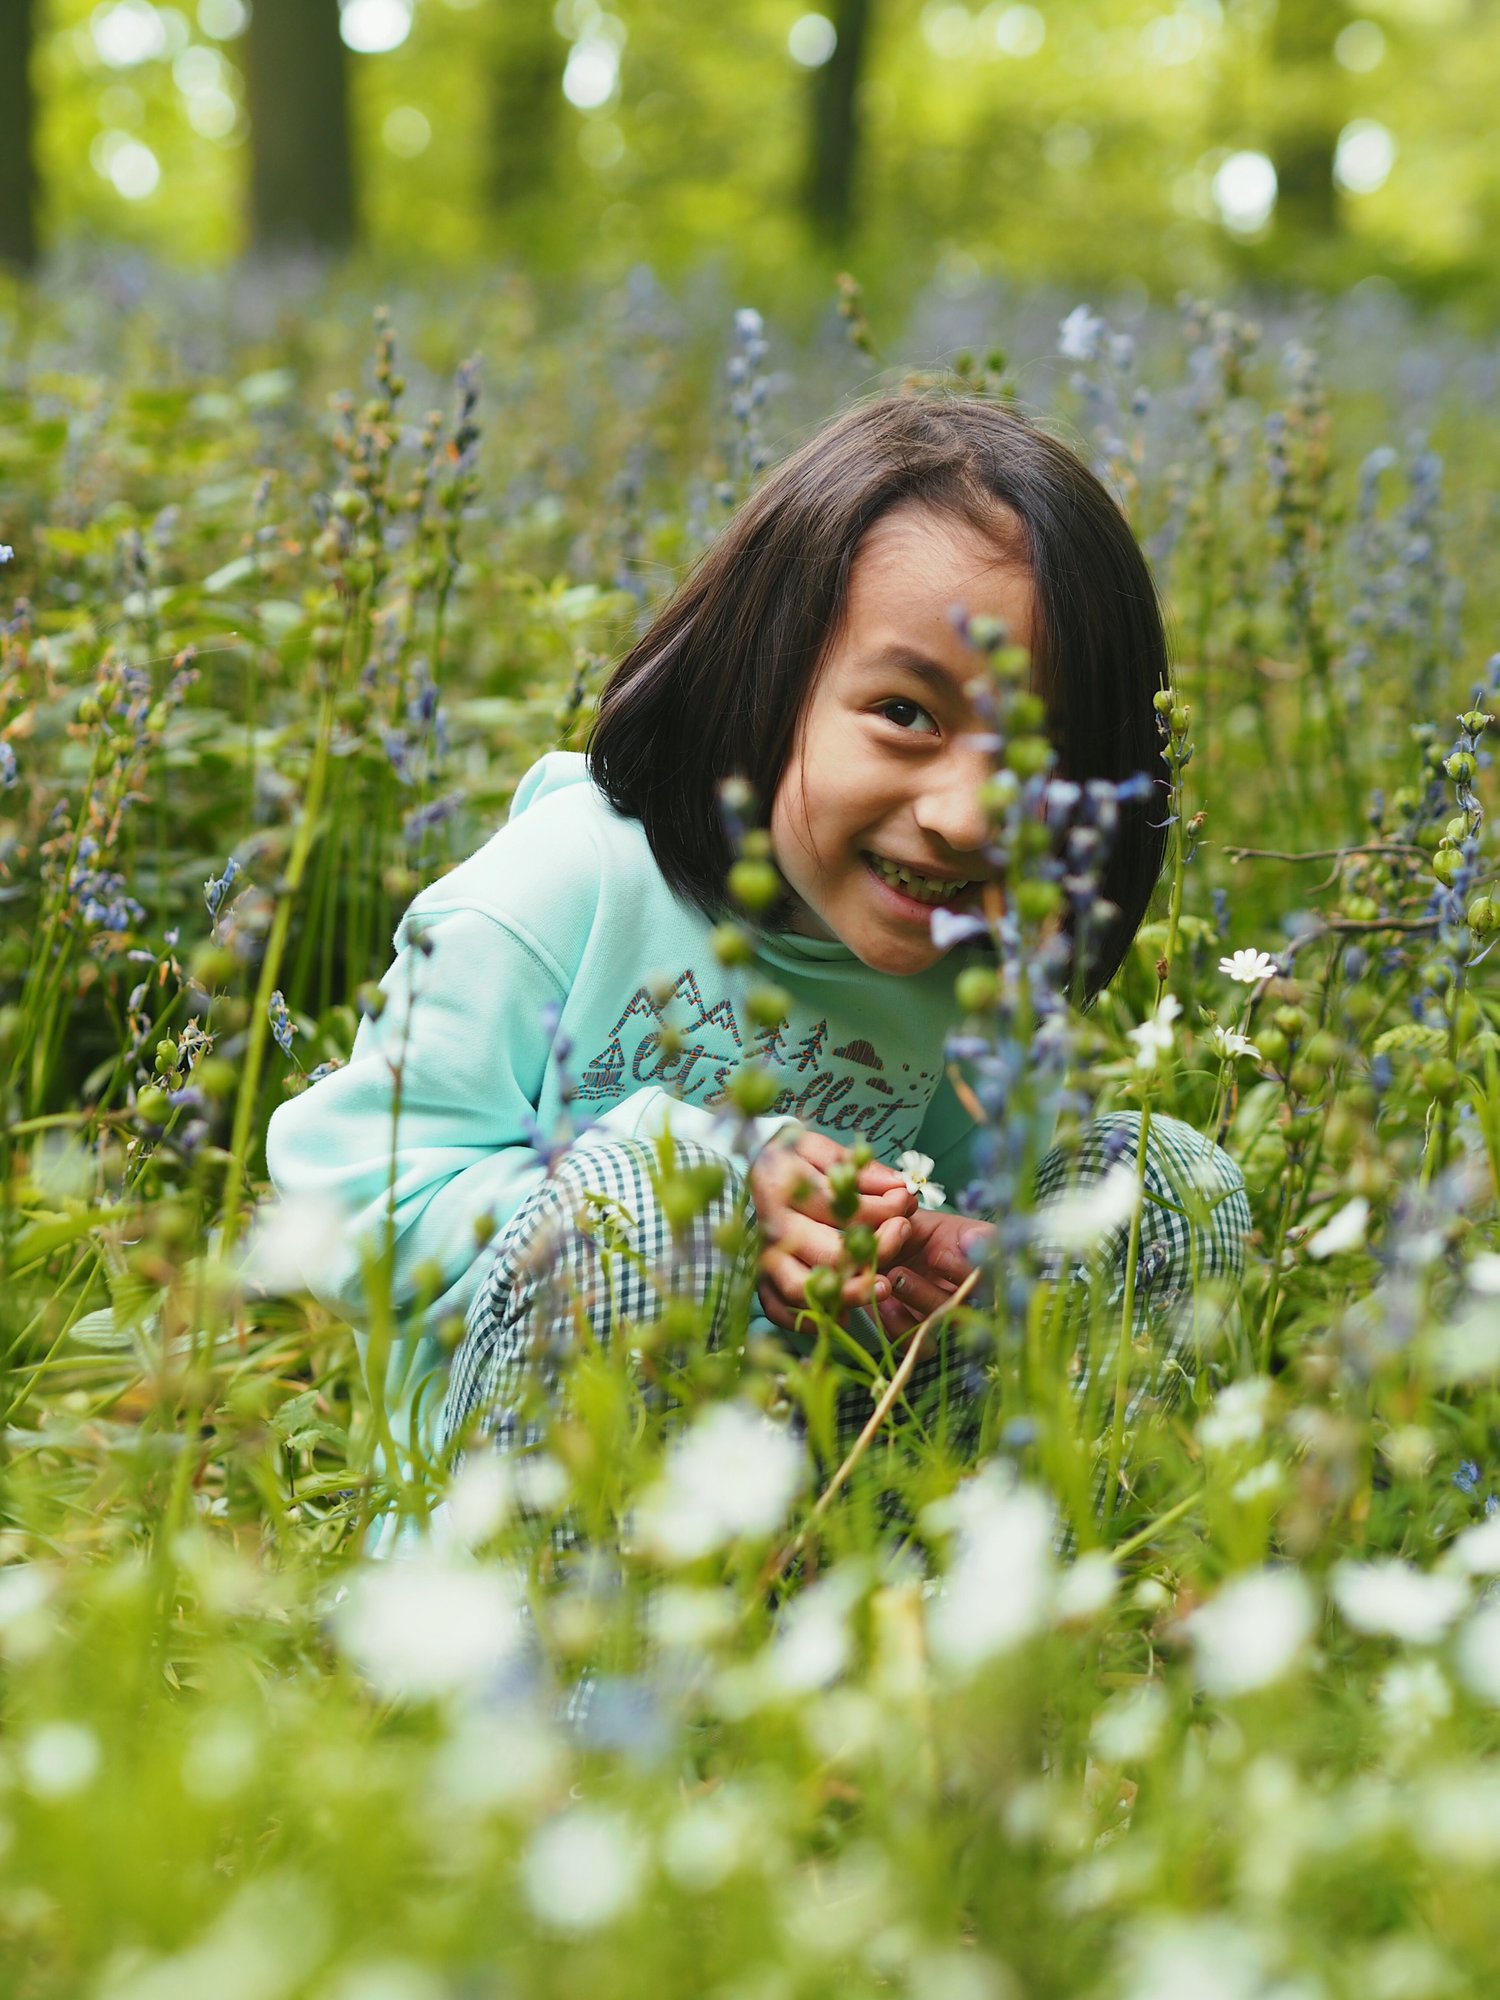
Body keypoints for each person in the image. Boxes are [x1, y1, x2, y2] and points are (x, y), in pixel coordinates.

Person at [265, 393, 1249, 1505]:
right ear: (766, 678)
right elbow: (343, 1204)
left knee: (1167, 1182)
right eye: (908, 714)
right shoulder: (563, 885)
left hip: (840, 1528)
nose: (971, 816)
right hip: (530, 1524)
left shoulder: (975, 962)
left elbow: (962, 1209)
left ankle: (1019, 1637)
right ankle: (577, 1667)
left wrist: (941, 1259)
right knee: (646, 1192)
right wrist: (711, 1177)